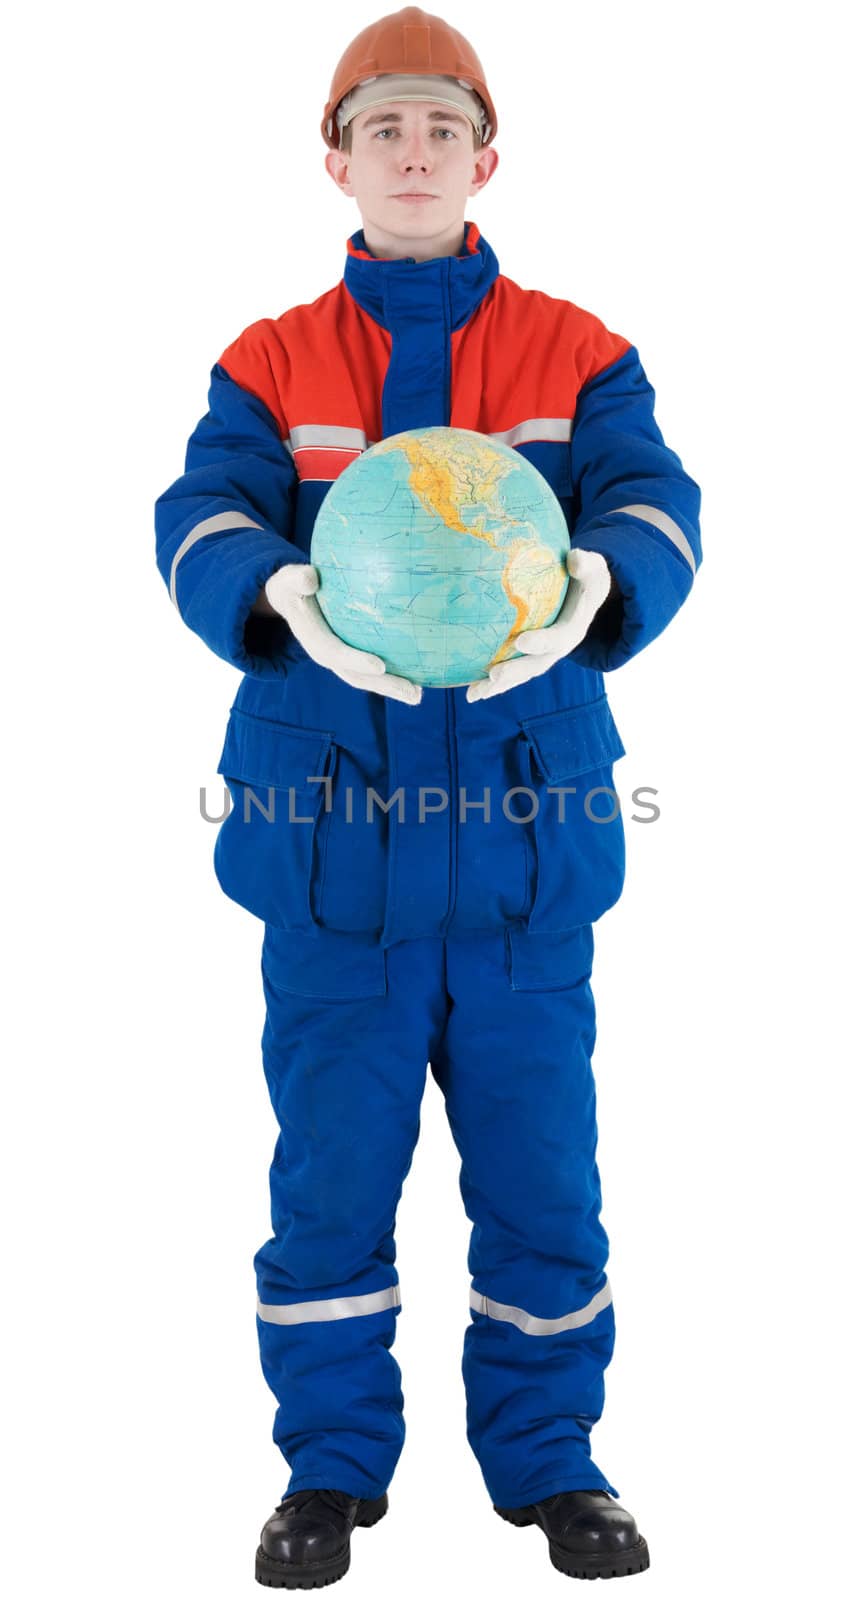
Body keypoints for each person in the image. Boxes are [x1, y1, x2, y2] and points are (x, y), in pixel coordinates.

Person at [154, 6, 701, 1586]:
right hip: (333, 875)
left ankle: (553, 1464)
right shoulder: (268, 363)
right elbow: (201, 511)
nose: (412, 155)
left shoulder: (577, 350)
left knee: (544, 1183)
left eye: (441, 131)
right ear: (335, 159)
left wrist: (606, 576)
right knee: (328, 1186)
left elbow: (654, 495)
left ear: (488, 158)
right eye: (382, 130)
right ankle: (329, 1470)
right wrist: (278, 592)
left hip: (526, 868)